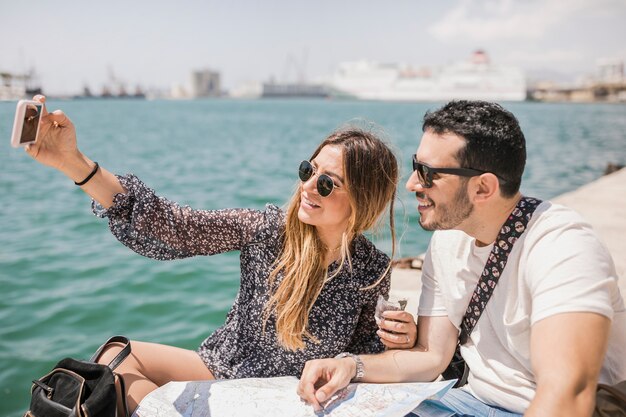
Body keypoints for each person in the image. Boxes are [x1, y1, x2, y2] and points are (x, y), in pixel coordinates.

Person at [24, 95, 417, 411]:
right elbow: (175, 227)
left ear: (364, 199)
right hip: (224, 367)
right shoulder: (267, 228)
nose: (309, 186)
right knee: (115, 357)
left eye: (327, 183)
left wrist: (401, 341)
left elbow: (365, 358)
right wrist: (71, 162)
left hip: (285, 394)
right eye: (307, 171)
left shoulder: (373, 271)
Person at [298, 100, 626, 417]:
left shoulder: (563, 248)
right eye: (416, 167)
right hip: (467, 403)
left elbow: (567, 397)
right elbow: (431, 357)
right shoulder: (447, 241)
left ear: (483, 188)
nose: (412, 184)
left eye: (428, 173)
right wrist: (350, 365)